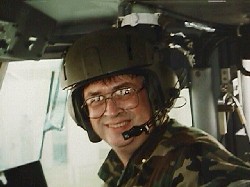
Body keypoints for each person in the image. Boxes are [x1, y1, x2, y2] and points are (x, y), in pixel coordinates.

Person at [60, 26, 250, 186]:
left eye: (124, 92)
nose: (111, 110)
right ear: (81, 112)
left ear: (156, 96)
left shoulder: (193, 158)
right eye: (96, 99)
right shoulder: (120, 168)